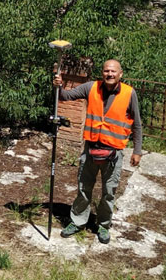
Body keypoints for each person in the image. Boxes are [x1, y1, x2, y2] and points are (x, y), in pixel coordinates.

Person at [53, 59, 142, 245]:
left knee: (109, 192)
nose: (109, 74)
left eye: (113, 71)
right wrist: (58, 86)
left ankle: (103, 225)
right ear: (102, 73)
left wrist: (137, 151)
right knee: (84, 188)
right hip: (91, 149)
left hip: (114, 153)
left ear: (120, 74)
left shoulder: (129, 93)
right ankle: (77, 221)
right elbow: (65, 97)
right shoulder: (91, 87)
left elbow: (138, 124)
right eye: (106, 71)